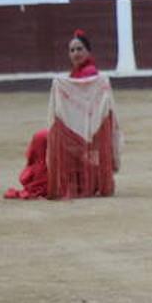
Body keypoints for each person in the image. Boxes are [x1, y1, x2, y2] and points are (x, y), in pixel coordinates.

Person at [40, 30, 122, 199]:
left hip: (82, 131)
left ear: (88, 51)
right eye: (72, 50)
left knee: (41, 139)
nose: (76, 53)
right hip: (84, 129)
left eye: (79, 49)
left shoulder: (88, 72)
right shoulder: (76, 73)